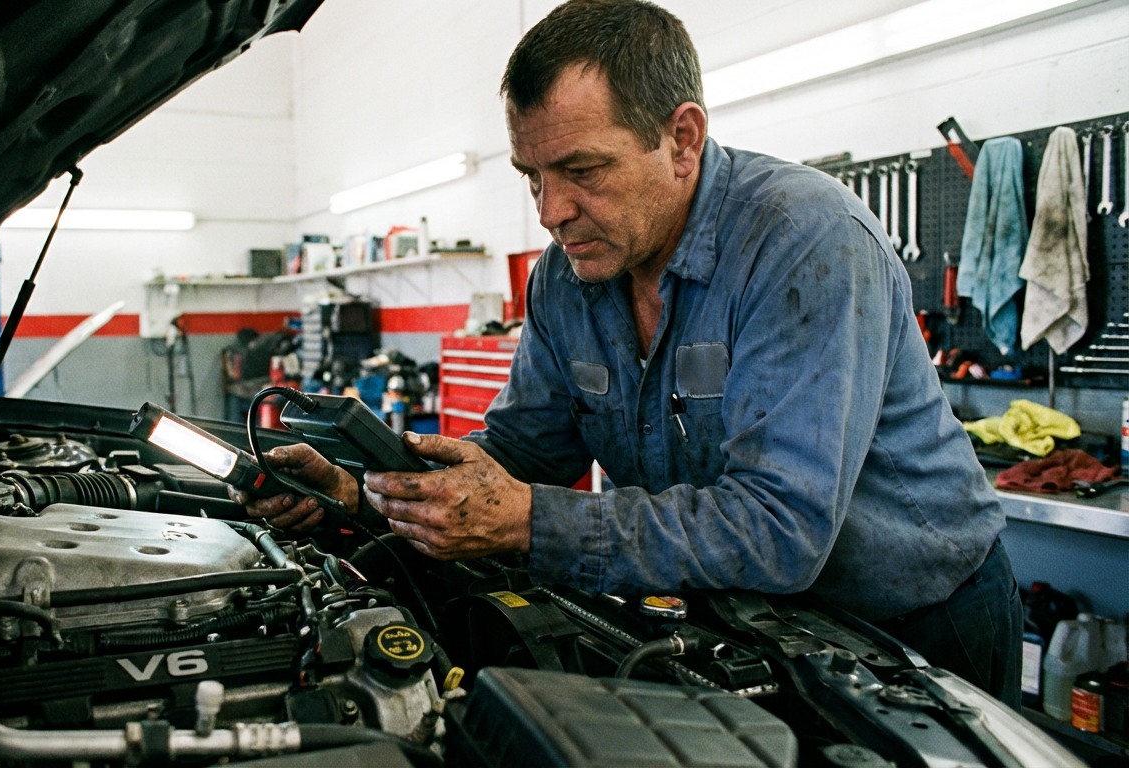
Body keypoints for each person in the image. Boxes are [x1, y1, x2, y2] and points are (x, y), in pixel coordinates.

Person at [236, 0, 1020, 706]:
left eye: (582, 170)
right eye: (531, 177)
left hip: (912, 627)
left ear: (682, 140)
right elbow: (524, 452)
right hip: (736, 625)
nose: (551, 211)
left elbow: (781, 528)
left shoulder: (803, 241)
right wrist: (368, 488)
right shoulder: (566, 279)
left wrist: (531, 523)